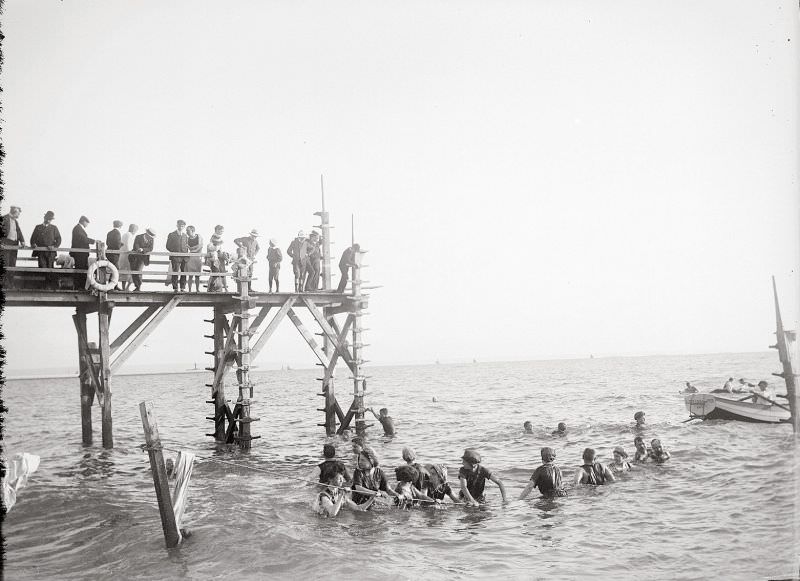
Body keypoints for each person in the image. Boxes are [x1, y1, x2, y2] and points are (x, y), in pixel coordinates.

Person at [30, 210, 62, 287]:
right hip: (41, 252)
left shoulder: (54, 228)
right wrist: (33, 244)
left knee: (50, 267)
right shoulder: (38, 227)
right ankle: (48, 284)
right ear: (44, 217)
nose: (49, 220)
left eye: (50, 219)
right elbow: (32, 239)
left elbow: (59, 239)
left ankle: (51, 284)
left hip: (50, 252)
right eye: (48, 218)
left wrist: (54, 246)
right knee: (42, 267)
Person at [70, 216, 96, 288]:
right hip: (80, 254)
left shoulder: (78, 228)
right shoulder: (78, 228)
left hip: (81, 254)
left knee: (81, 269)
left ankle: (81, 286)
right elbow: (83, 239)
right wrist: (94, 241)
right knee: (80, 270)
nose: (87, 225)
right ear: (84, 221)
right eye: (87, 223)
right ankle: (80, 287)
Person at [166, 220, 190, 292]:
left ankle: (182, 288)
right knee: (175, 272)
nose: (181, 227)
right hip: (175, 257)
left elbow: (187, 246)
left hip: (184, 257)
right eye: (179, 225)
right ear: (177, 225)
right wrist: (175, 251)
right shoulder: (172, 234)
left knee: (184, 272)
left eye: (182, 226)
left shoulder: (185, 235)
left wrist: (186, 253)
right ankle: (175, 288)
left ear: (184, 227)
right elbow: (168, 246)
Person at [129, 227, 155, 291]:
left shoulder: (151, 239)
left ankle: (138, 286)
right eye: (149, 236)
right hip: (134, 257)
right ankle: (136, 286)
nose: (150, 237)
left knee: (138, 271)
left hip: (143, 258)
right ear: (146, 233)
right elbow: (135, 245)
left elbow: (150, 248)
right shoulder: (138, 237)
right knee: (134, 272)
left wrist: (143, 249)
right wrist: (138, 249)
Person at [1, 205, 25, 271]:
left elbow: (18, 231)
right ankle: (4, 281)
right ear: (14, 212)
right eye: (18, 213)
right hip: (6, 243)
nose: (19, 215)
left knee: (12, 263)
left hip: (14, 243)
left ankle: (11, 281)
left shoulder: (15, 221)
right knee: (5, 263)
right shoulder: (4, 218)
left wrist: (22, 241)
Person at [118, 224, 137, 291]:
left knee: (124, 272)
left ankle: (124, 287)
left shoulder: (124, 234)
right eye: (136, 230)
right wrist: (132, 253)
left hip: (122, 255)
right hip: (128, 256)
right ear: (134, 229)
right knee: (130, 271)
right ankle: (126, 287)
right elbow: (128, 246)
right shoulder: (129, 235)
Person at [186, 225, 204, 292]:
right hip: (191, 258)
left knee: (197, 275)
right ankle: (190, 290)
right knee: (190, 275)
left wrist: (192, 249)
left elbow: (200, 246)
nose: (187, 232)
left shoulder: (198, 236)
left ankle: (197, 289)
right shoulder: (187, 239)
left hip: (198, 257)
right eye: (186, 231)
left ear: (192, 230)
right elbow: (187, 247)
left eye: (188, 230)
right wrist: (193, 248)